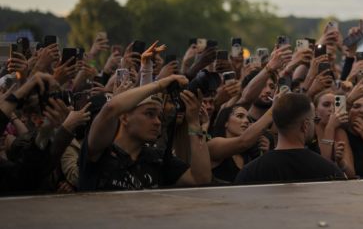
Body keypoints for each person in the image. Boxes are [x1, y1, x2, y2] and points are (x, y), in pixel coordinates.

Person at [78, 76, 211, 190]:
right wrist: (158, 85)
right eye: (149, 114)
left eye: (160, 116)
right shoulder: (101, 151)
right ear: (124, 117)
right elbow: (111, 108)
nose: (157, 122)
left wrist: (194, 122)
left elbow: (201, 178)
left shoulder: (157, 159)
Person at [234, 92, 344, 184]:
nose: (314, 125)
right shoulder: (329, 172)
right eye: (313, 120)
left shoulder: (249, 172)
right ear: (305, 125)